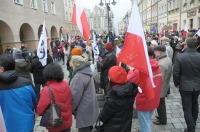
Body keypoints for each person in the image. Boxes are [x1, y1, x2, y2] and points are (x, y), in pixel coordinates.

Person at [128, 47, 162, 132]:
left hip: (144, 100)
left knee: (144, 125)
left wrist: (132, 70)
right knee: (147, 121)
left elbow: (128, 79)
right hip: (154, 98)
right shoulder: (157, 65)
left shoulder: (141, 69)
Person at [0, 55, 37, 132]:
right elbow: (35, 104)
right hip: (27, 125)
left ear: (1, 69)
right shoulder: (27, 83)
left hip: (5, 127)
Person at [99, 66, 138, 132]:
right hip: (126, 126)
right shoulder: (130, 89)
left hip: (113, 128)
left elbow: (103, 117)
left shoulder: (113, 97)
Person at [173, 37, 200, 132]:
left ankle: (191, 128)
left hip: (185, 86)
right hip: (197, 86)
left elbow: (175, 73)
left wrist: (176, 84)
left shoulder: (180, 57)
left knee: (187, 108)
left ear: (187, 45)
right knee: (195, 104)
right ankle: (192, 125)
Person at [37, 62, 72, 132]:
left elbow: (40, 110)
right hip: (67, 122)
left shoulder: (47, 89)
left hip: (55, 124)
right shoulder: (66, 84)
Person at [70, 55, 99, 132]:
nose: (70, 63)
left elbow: (75, 96)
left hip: (83, 109)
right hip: (89, 107)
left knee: (84, 129)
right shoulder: (87, 72)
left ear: (75, 64)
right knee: (88, 128)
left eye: (71, 62)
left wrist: (70, 109)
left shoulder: (78, 76)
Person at [153, 45, 172, 125]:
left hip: (161, 88)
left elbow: (159, 79)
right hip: (165, 85)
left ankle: (162, 120)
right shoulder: (167, 58)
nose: (154, 53)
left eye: (155, 52)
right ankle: (161, 116)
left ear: (160, 52)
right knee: (161, 103)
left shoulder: (161, 64)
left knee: (160, 104)